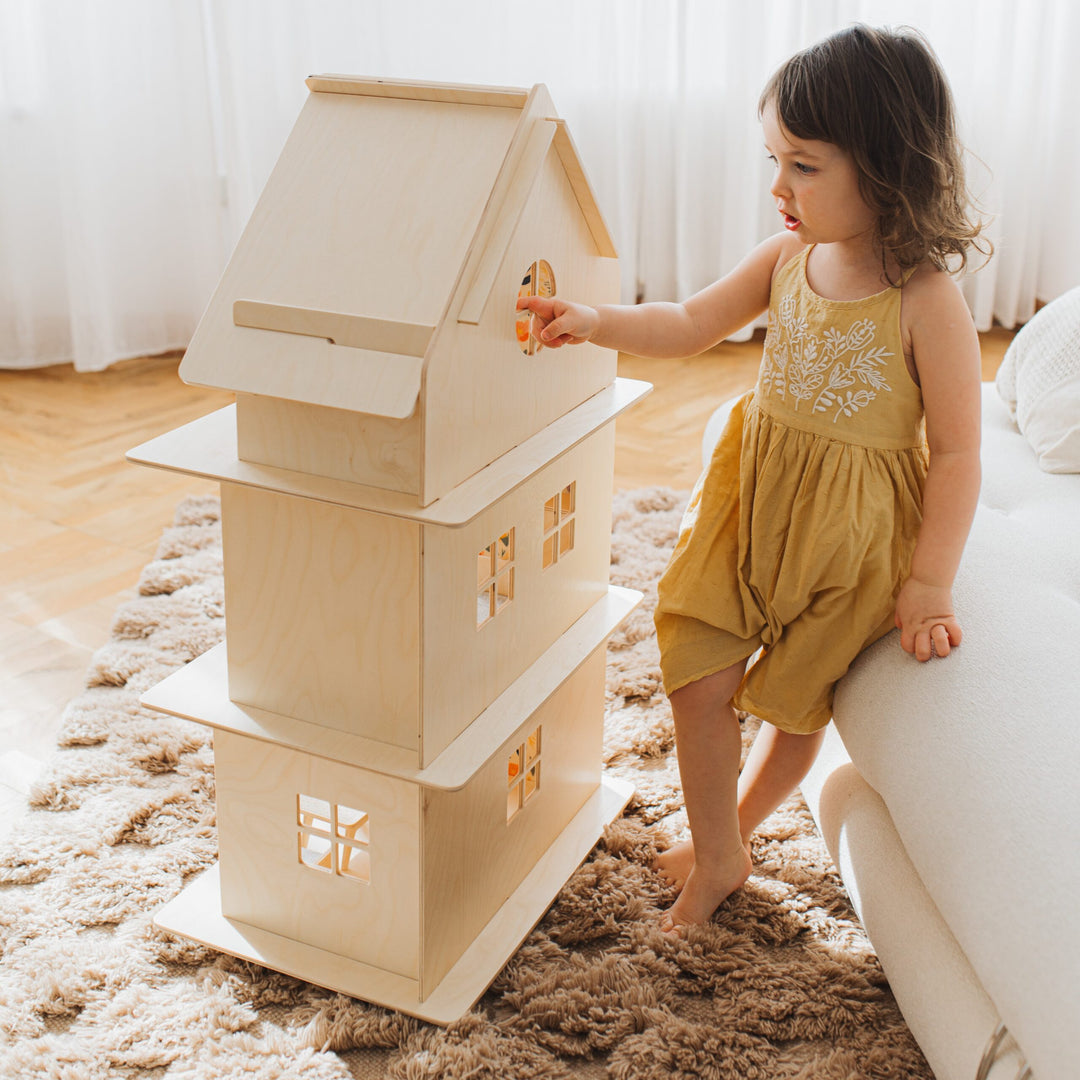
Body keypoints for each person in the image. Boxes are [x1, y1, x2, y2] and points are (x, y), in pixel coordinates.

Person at [518, 23, 988, 932]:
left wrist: (929, 582)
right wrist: (595, 319)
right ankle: (723, 846)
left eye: (804, 166)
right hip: (752, 504)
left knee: (793, 707)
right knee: (698, 674)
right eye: (774, 159)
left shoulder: (929, 302)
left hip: (848, 544)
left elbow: (962, 454)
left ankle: (730, 835)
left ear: (887, 167)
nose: (778, 186)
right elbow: (690, 322)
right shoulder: (784, 262)